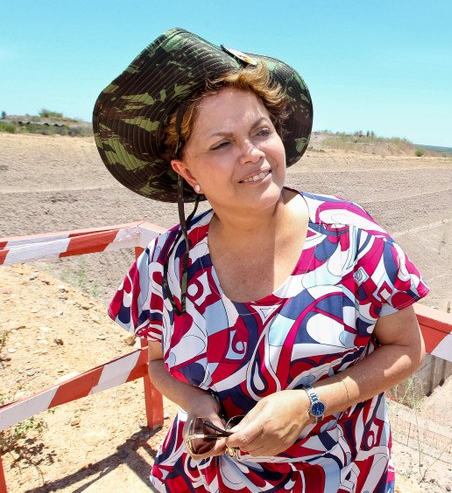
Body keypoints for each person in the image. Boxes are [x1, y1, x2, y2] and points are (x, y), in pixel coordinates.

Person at [92, 28, 429, 493]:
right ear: (187, 172)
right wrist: (196, 407)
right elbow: (156, 364)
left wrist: (312, 403)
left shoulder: (354, 240)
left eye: (260, 131)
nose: (252, 154)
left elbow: (408, 350)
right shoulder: (166, 260)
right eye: (221, 144)